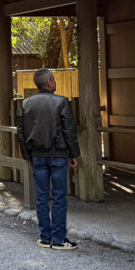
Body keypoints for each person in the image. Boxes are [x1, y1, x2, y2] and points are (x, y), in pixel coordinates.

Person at [16, 68, 81, 250]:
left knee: (42, 197)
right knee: (59, 197)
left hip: (37, 156)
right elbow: (69, 131)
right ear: (50, 82)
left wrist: (27, 155)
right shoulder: (61, 102)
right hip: (58, 155)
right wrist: (74, 154)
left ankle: (45, 237)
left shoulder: (26, 104)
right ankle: (59, 239)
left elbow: (21, 133)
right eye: (54, 79)